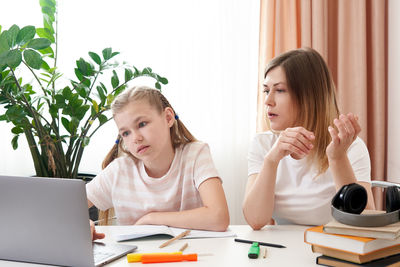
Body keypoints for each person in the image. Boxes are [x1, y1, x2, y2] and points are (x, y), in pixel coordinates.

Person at [242, 48, 375, 230]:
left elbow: (364, 221)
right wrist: (272, 160)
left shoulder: (350, 148)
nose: (268, 101)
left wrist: (337, 159)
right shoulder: (263, 144)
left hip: (333, 248)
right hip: (283, 251)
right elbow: (256, 220)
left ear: (309, 96)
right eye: (266, 91)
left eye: (280, 90)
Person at [88, 86, 229, 240]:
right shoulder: (119, 171)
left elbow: (219, 217)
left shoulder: (195, 154)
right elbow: (65, 208)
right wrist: (84, 224)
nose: (136, 138)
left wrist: (152, 219)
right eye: (126, 133)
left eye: (142, 124)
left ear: (168, 117)